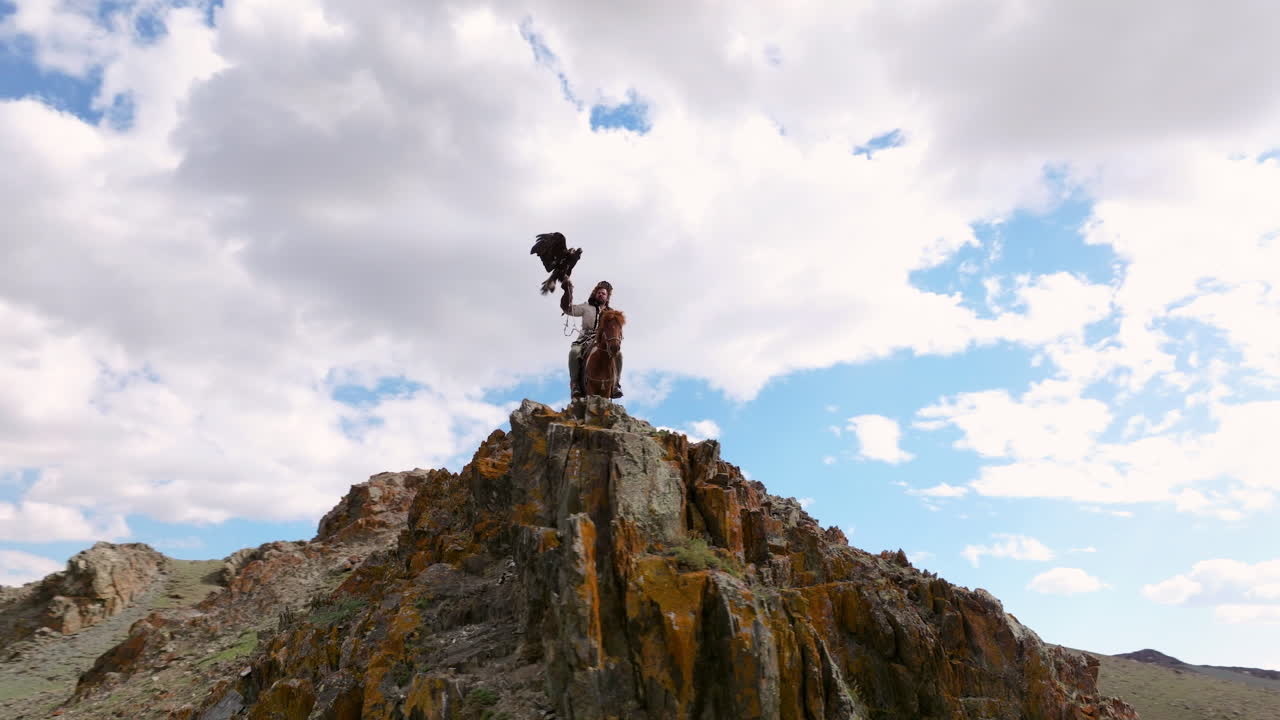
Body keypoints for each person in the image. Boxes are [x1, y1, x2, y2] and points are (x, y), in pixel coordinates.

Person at [561, 279, 623, 399]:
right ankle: (575, 384)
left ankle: (616, 384)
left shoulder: (611, 313)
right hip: (584, 339)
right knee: (574, 353)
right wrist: (567, 292)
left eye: (603, 293)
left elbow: (616, 329)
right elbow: (567, 308)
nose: (600, 294)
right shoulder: (586, 307)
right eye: (599, 292)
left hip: (603, 340)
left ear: (607, 297)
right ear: (595, 294)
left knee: (619, 355)